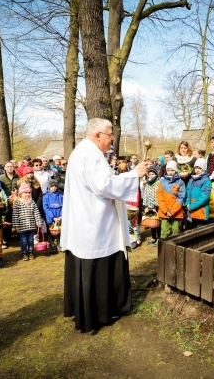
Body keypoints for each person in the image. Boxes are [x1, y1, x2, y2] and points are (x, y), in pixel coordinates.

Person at [61, 118, 148, 333]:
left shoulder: (84, 152)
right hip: (95, 224)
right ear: (98, 134)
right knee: (98, 265)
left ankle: (95, 310)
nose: (112, 139)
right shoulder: (89, 154)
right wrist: (133, 174)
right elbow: (104, 185)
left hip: (89, 220)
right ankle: (98, 313)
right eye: (110, 135)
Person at [12, 183, 42, 261]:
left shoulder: (32, 203)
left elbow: (36, 213)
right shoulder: (18, 204)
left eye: (29, 193)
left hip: (31, 226)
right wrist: (16, 226)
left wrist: (38, 222)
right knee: (23, 240)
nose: (27, 194)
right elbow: (15, 216)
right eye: (25, 193)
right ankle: (24, 253)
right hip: (22, 227)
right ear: (21, 194)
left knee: (31, 240)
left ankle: (31, 251)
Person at [156, 160, 186, 239]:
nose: (170, 172)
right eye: (168, 170)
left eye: (172, 170)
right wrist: (165, 210)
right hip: (164, 212)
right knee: (164, 231)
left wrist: (172, 211)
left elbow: (181, 198)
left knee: (175, 231)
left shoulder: (180, 182)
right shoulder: (162, 182)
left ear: (176, 170)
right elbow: (159, 197)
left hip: (175, 213)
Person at [184, 158, 211, 228]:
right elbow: (187, 193)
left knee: (199, 231)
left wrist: (192, 206)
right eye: (196, 167)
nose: (197, 170)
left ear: (204, 169)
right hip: (190, 211)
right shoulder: (191, 180)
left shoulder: (206, 181)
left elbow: (204, 197)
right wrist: (187, 203)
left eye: (199, 168)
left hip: (201, 210)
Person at [43, 179, 63, 255]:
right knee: (52, 232)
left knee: (59, 232)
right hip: (51, 218)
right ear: (49, 187)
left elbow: (63, 206)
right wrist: (53, 217)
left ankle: (59, 244)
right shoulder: (46, 197)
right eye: (52, 186)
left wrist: (61, 216)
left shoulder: (60, 196)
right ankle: (52, 246)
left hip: (59, 217)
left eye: (55, 186)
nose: (54, 188)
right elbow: (46, 208)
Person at [142, 167, 161, 245]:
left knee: (157, 222)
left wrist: (155, 206)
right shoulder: (147, 183)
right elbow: (145, 194)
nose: (151, 175)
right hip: (149, 206)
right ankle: (153, 237)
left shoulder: (159, 183)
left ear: (156, 174)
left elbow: (159, 195)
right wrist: (145, 206)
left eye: (153, 174)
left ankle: (159, 238)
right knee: (151, 222)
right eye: (150, 174)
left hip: (156, 206)